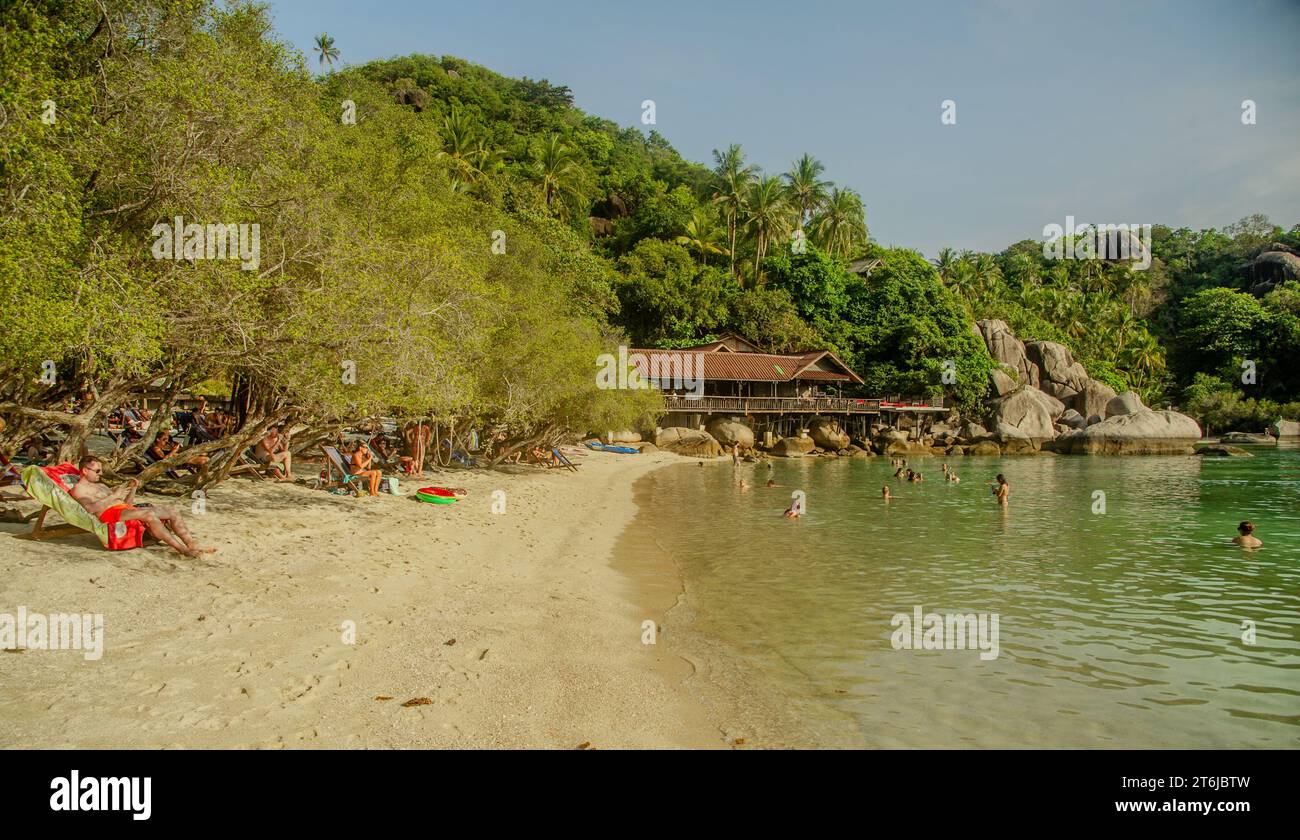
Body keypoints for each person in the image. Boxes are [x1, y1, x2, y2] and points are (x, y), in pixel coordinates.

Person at [69, 456, 214, 558]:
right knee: (149, 515)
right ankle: (182, 549)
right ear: (85, 470)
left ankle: (191, 544)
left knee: (172, 510)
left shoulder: (100, 486)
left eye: (101, 471)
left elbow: (127, 504)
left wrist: (132, 489)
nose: (100, 474)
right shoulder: (79, 490)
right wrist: (113, 496)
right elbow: (90, 509)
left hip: (123, 510)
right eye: (97, 471)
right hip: (109, 515)